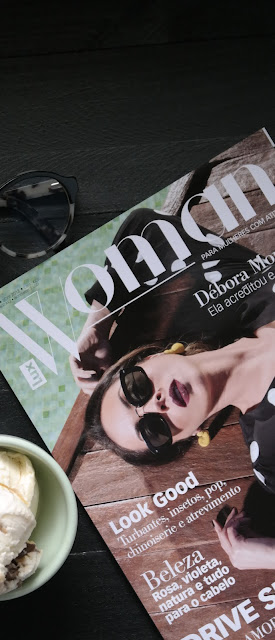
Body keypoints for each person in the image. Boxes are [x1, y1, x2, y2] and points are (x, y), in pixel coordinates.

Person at [69, 207, 275, 570]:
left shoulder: (243, 288)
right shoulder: (270, 454)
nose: (155, 405)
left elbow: (145, 227)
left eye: (135, 388)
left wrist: (99, 320)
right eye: (153, 429)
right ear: (189, 436)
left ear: (151, 357)